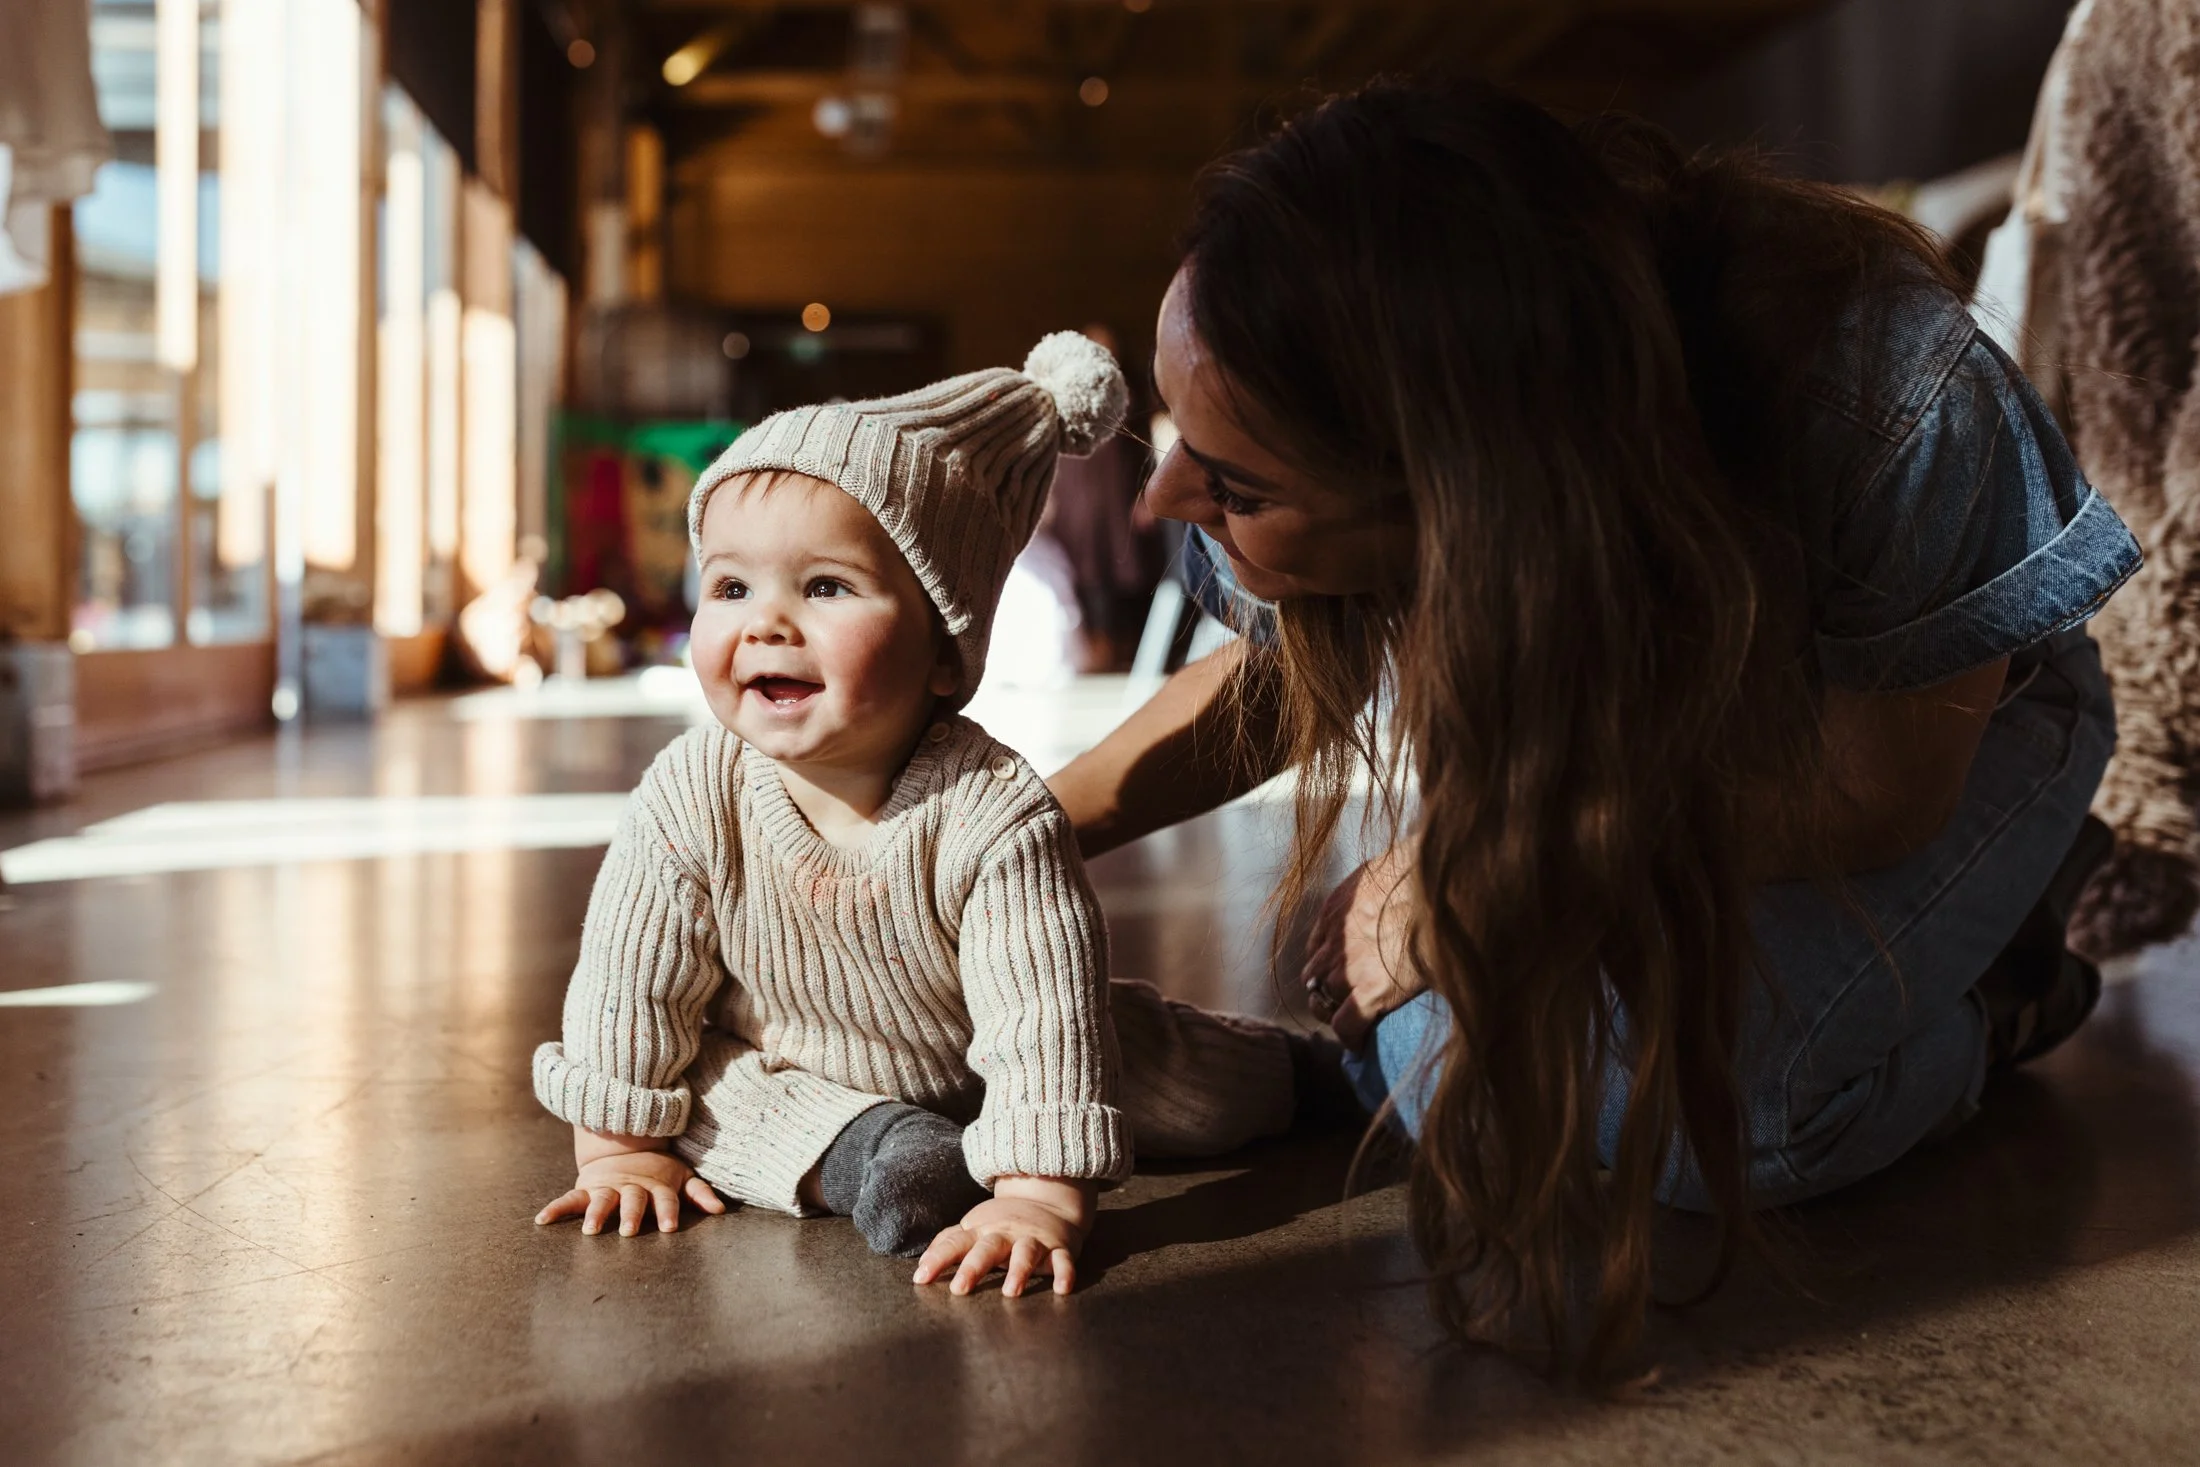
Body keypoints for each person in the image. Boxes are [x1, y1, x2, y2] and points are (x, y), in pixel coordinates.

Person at [1044, 77, 2141, 1371]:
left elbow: (1873, 789)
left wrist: (1475, 872)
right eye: (1177, 434)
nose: (1159, 500)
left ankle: (2002, 984)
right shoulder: (1351, 373)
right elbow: (1278, 675)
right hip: (1639, 763)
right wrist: (999, 844)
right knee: (1457, 1060)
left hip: (1926, 733)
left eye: (1234, 485)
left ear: (1472, 500)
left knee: (1696, 1125)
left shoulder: (1893, 389)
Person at [532, 333, 1326, 1298]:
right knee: (700, 1092)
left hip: (989, 1057)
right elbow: (629, 983)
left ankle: (1320, 1076)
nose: (765, 622)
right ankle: (881, 1148)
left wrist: (1035, 1195)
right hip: (786, 1057)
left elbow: (1041, 1016)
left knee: (1170, 1077)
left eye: (825, 587)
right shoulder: (689, 793)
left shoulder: (992, 811)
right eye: (731, 586)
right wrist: (618, 1149)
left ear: (946, 650)